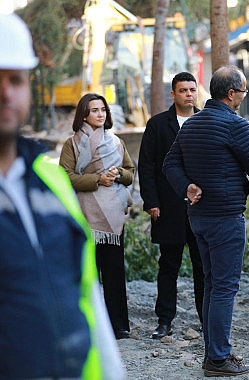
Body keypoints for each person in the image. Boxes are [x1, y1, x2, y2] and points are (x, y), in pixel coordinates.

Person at [0, 13, 124, 378]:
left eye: (16, 79)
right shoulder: (68, 154)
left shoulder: (48, 182)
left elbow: (86, 296)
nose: (6, 92)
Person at [163, 65, 249, 376]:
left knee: (211, 285)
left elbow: (169, 164)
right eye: (243, 92)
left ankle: (214, 353)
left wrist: (186, 186)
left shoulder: (190, 125)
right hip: (225, 218)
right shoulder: (235, 125)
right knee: (223, 288)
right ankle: (218, 358)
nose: (244, 98)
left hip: (199, 217)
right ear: (231, 94)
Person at [59, 92, 135, 339]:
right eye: (94, 110)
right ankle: (89, 325)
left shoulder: (115, 142)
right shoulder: (72, 144)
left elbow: (130, 173)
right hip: (85, 216)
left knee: (114, 271)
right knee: (88, 273)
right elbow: (65, 177)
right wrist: (96, 179)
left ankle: (118, 326)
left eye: (103, 109)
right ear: (84, 114)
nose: (100, 114)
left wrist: (118, 174)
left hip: (112, 216)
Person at [138, 72, 204, 339]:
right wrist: (151, 202)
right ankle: (164, 320)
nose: (189, 94)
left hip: (202, 208)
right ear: (173, 94)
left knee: (203, 268)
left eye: (192, 89)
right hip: (167, 207)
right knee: (168, 266)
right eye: (183, 90)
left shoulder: (204, 121)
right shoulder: (157, 124)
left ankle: (206, 318)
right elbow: (147, 165)